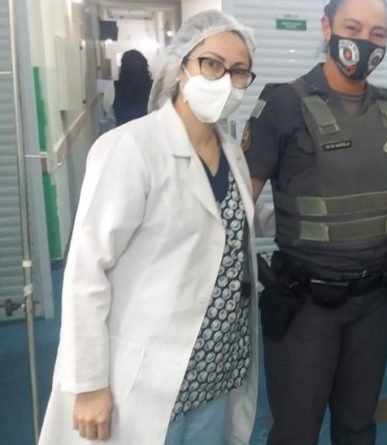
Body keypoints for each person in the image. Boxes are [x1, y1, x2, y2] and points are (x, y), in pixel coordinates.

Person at [39, 10, 259, 445]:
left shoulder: (232, 152)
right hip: (146, 377)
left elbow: (225, 226)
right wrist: (89, 384)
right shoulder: (130, 148)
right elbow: (86, 272)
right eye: (211, 64)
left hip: (217, 369)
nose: (225, 80)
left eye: (239, 71)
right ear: (181, 67)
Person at [242, 0, 387, 444]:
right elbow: (237, 205)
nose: (365, 42)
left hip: (375, 301)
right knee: (296, 431)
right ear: (327, 27)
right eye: (352, 28)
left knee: (358, 425)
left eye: (377, 33)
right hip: (306, 305)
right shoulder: (283, 104)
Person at [102, 49, 153, 126]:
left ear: (123, 68)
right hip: (148, 130)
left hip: (123, 131)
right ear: (145, 67)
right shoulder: (154, 86)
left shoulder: (113, 87)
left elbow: (109, 110)